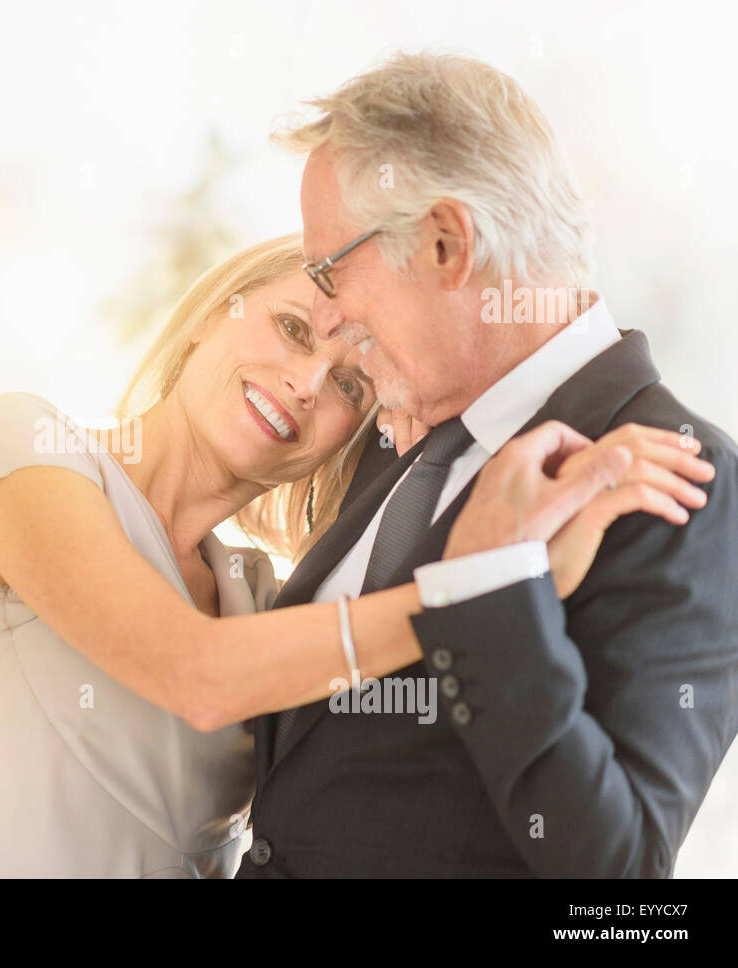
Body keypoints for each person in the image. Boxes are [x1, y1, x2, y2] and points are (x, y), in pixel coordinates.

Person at [0, 234, 711, 877]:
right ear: (209, 314)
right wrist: (488, 588)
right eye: (292, 330)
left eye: (350, 388)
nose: (304, 384)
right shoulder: (25, 449)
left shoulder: (260, 600)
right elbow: (195, 673)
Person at [239, 49, 738, 878]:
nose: (324, 315)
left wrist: (491, 588)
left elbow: (619, 880)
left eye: (331, 270)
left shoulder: (686, 478)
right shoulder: (402, 427)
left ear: (446, 243)